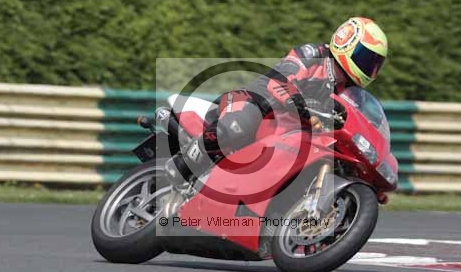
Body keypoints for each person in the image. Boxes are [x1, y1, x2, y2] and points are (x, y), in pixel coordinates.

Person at [165, 17, 389, 185]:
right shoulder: (313, 54)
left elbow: (353, 118)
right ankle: (181, 166)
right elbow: (280, 78)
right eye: (365, 56)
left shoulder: (346, 91)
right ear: (346, 40)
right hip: (256, 102)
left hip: (290, 128)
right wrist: (297, 100)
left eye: (374, 63)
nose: (368, 66)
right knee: (237, 127)